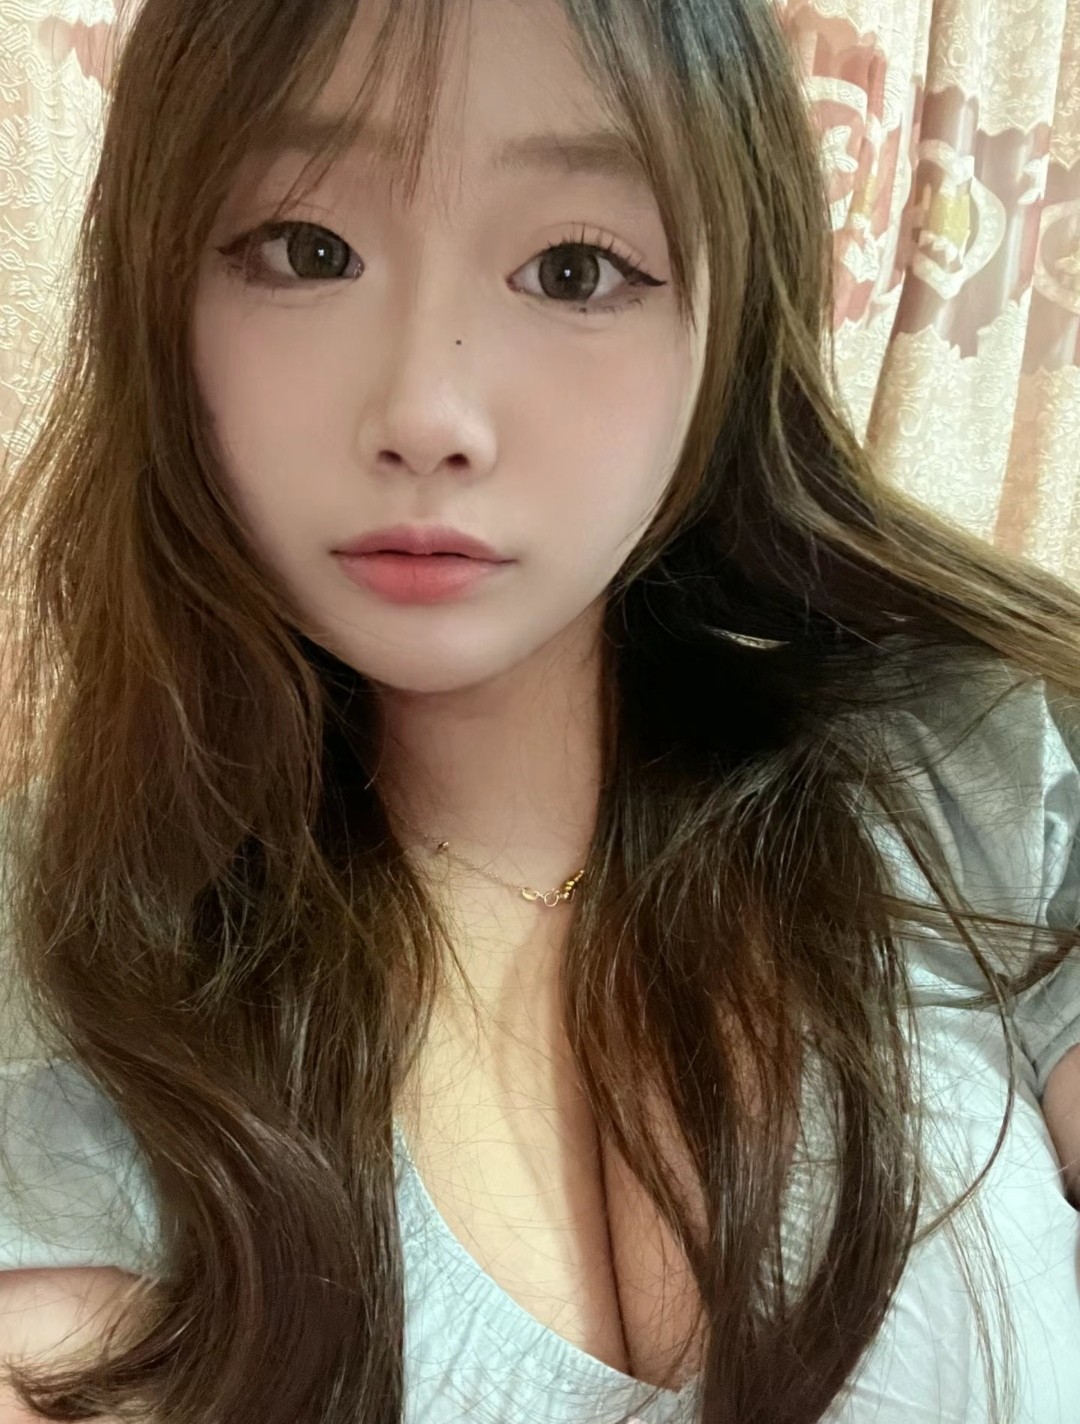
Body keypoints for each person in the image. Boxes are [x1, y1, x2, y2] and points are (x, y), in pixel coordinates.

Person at [0, 0, 1078, 1421]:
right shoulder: (68, 944)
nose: (427, 413)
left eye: (575, 269)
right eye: (307, 249)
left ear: (728, 321)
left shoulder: (967, 769)